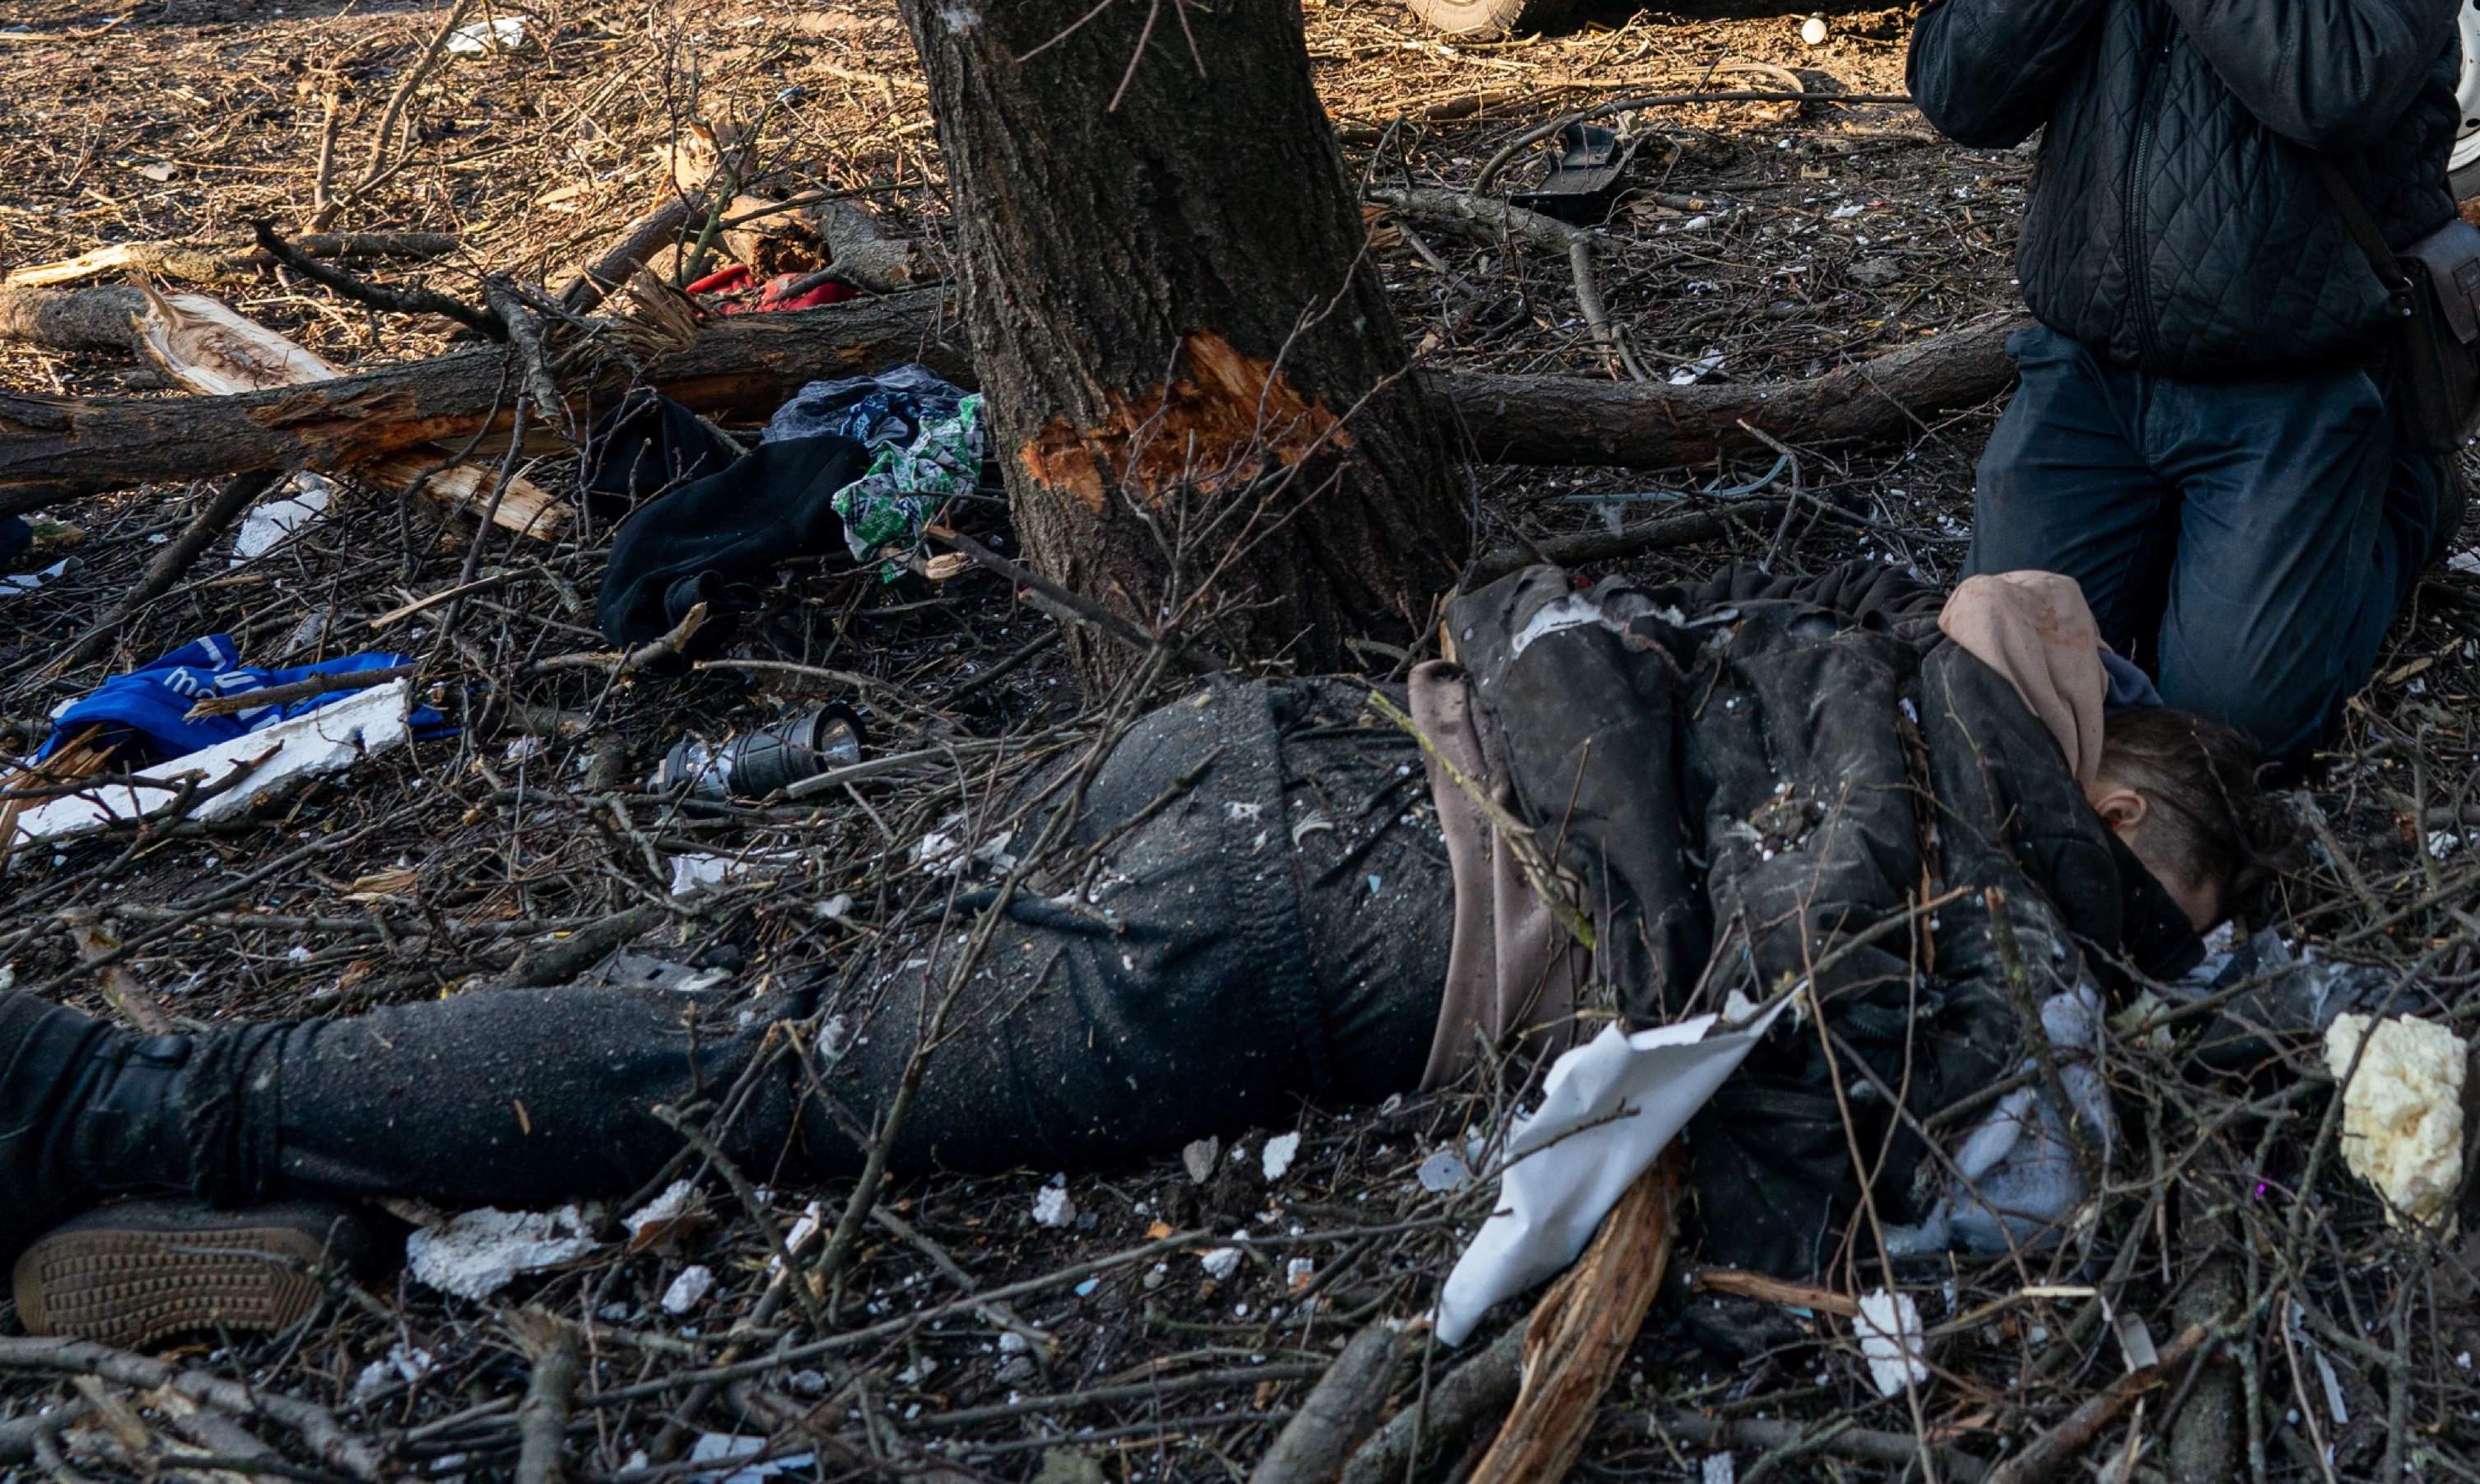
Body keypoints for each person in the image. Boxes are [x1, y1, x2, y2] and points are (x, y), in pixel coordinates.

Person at [0, 569, 2282, 1342]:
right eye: (2164, 897)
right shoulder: (1946, 854)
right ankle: (120, 1104)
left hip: (1279, 748)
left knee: (812, 988)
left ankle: (270, 1189)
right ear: (2108, 801)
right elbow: (1807, 1159)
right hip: (1295, 930)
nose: (2152, 948)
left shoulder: (1842, 651)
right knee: (787, 1074)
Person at [1909, 0, 2474, 762]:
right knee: (2001, 676)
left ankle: (2394, 510)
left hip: (2295, 376)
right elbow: (1959, 96)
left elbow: (2332, 84)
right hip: (2091, 376)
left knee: (2230, 727)